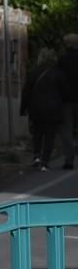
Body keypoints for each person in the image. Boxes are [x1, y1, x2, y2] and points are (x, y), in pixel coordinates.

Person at [20, 48, 68, 171]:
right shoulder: (59, 73)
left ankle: (36, 156)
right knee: (49, 136)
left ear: (40, 57)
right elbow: (65, 93)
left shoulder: (33, 72)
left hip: (36, 109)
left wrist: (23, 109)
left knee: (37, 134)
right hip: (53, 110)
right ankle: (45, 162)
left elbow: (26, 92)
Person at [57, 33, 78, 169]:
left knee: (66, 129)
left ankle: (69, 160)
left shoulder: (62, 60)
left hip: (66, 100)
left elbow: (59, 80)